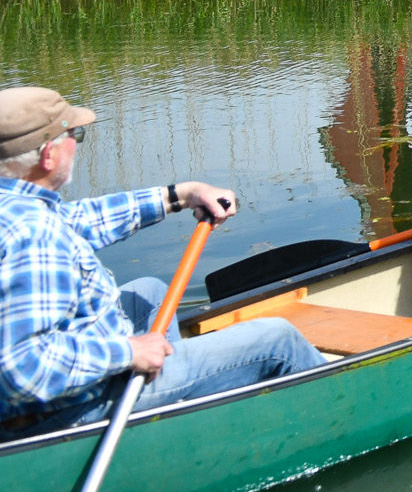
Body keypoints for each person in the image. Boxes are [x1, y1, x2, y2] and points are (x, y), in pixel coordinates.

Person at [0, 86, 325, 437]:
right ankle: (341, 418)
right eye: (74, 134)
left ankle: (178, 417)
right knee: (275, 339)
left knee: (149, 293)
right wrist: (125, 353)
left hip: (54, 393)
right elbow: (22, 369)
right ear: (49, 155)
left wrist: (180, 196)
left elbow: (81, 219)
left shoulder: (18, 207)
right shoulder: (34, 234)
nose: (77, 143)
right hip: (67, 410)